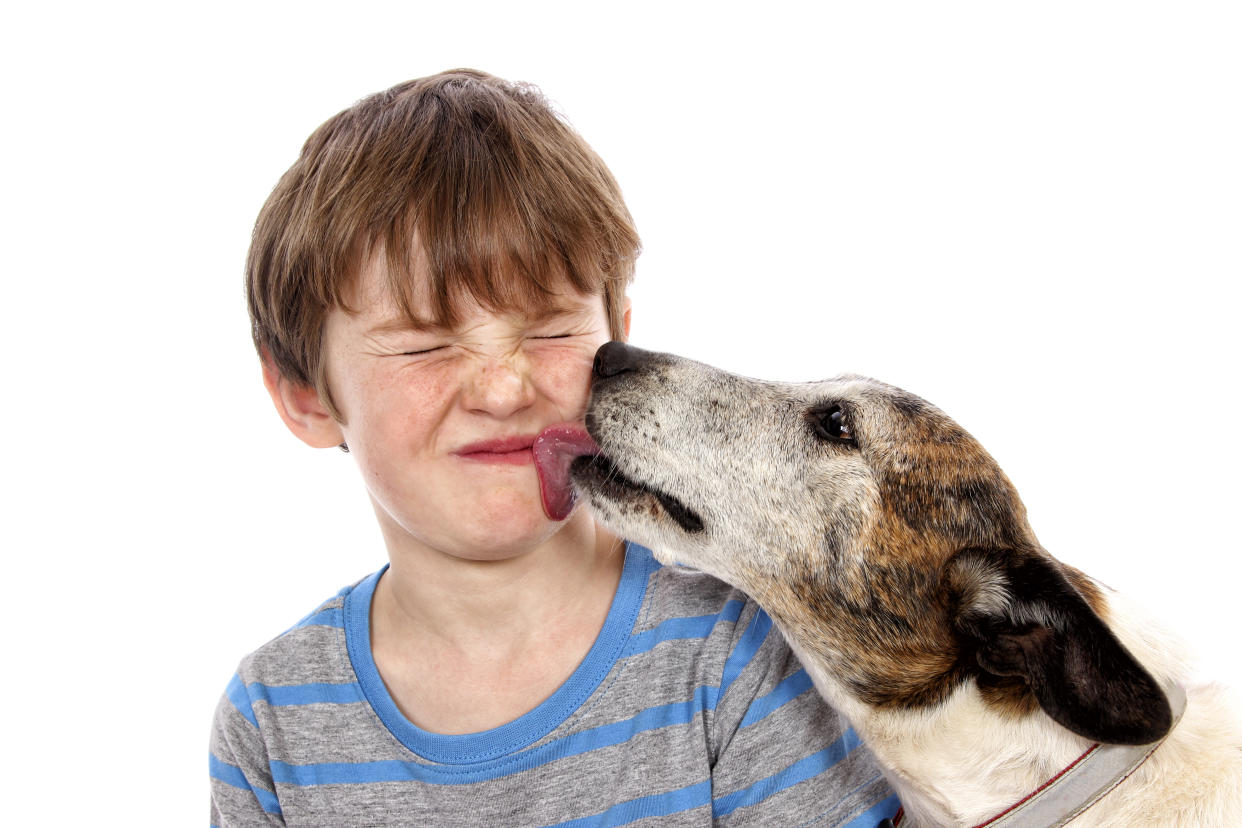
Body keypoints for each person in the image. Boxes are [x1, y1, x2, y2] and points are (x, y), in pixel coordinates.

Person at [210, 68, 899, 827]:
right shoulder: (272, 723)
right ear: (306, 397)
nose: (503, 391)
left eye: (550, 329)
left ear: (618, 342)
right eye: (425, 346)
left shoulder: (737, 657)